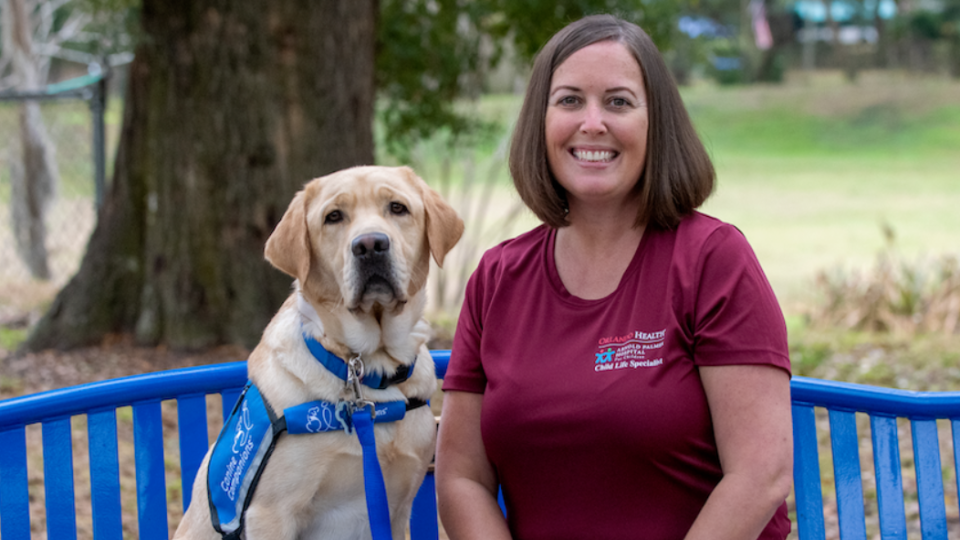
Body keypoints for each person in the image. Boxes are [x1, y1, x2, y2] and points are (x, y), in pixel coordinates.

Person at [435, 13, 793, 540]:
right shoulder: (498, 277)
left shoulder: (713, 259)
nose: (593, 123)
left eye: (619, 102)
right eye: (570, 100)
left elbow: (761, 475)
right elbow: (462, 476)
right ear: (541, 120)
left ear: (657, 123)